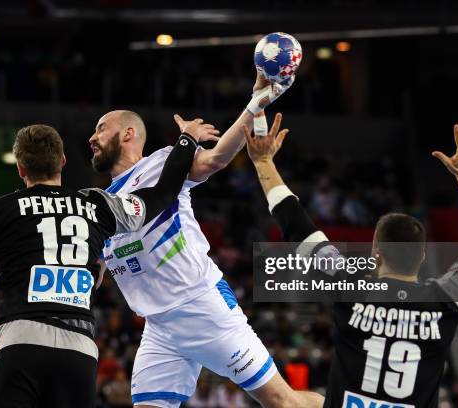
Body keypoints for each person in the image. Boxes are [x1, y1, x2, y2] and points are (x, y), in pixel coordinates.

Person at [0, 122, 214, 408]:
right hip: (78, 351)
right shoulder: (97, 204)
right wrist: (185, 140)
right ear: (64, 161)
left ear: (21, 168)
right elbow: (161, 194)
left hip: (20, 342)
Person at [89, 74, 323, 408]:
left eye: (100, 128)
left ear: (128, 133)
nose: (91, 137)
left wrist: (257, 101)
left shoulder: (162, 163)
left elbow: (217, 157)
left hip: (203, 308)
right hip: (159, 329)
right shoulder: (102, 204)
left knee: (283, 402)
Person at [244, 115, 458, 407]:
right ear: (423, 255)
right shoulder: (446, 301)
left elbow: (297, 226)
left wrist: (263, 162)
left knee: (304, 401)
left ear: (376, 252)